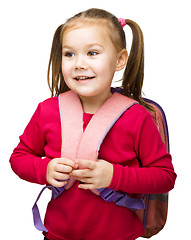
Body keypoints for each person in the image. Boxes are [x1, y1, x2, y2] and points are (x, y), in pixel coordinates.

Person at [10, 8, 176, 240]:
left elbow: (165, 177)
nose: (78, 63)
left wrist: (114, 176)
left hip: (119, 236)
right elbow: (19, 157)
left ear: (120, 60)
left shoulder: (137, 117)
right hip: (57, 235)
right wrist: (43, 169)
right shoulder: (47, 110)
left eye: (92, 53)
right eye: (69, 54)